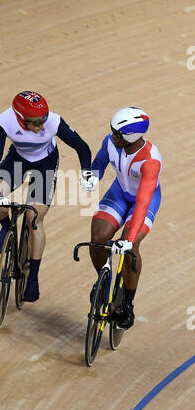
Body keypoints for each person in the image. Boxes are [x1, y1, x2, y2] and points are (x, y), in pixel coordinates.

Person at [0, 91, 97, 302]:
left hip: (45, 165)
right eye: (35, 123)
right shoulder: (4, 122)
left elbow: (81, 146)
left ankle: (33, 278)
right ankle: (5, 227)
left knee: (34, 218)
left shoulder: (53, 121)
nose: (41, 126)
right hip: (18, 160)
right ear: (20, 119)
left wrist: (86, 172)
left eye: (43, 119)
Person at [90, 107, 162, 329]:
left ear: (130, 138)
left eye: (117, 134)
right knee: (98, 237)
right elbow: (99, 163)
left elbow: (142, 202)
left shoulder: (150, 160)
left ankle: (127, 305)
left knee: (130, 249)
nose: (112, 136)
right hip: (119, 192)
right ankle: (103, 282)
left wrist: (129, 238)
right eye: (112, 131)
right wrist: (92, 177)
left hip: (144, 202)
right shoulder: (111, 142)